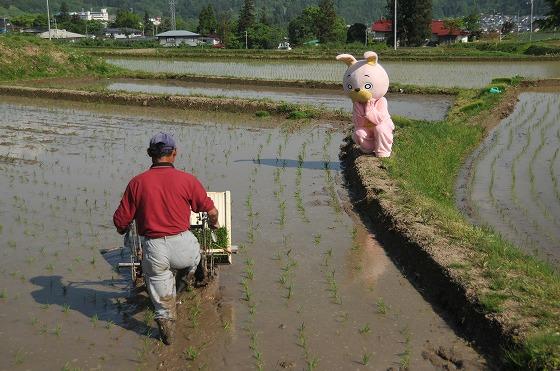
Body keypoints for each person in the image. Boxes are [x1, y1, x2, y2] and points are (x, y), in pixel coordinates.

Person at [113, 132, 219, 345]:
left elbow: (120, 222)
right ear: (174, 153)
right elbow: (211, 210)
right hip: (183, 246)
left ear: (149, 154)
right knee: (194, 252)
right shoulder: (187, 180)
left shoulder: (137, 183)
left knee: (162, 300)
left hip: (154, 248)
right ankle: (192, 272)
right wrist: (215, 222)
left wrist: (124, 229)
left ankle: (166, 327)